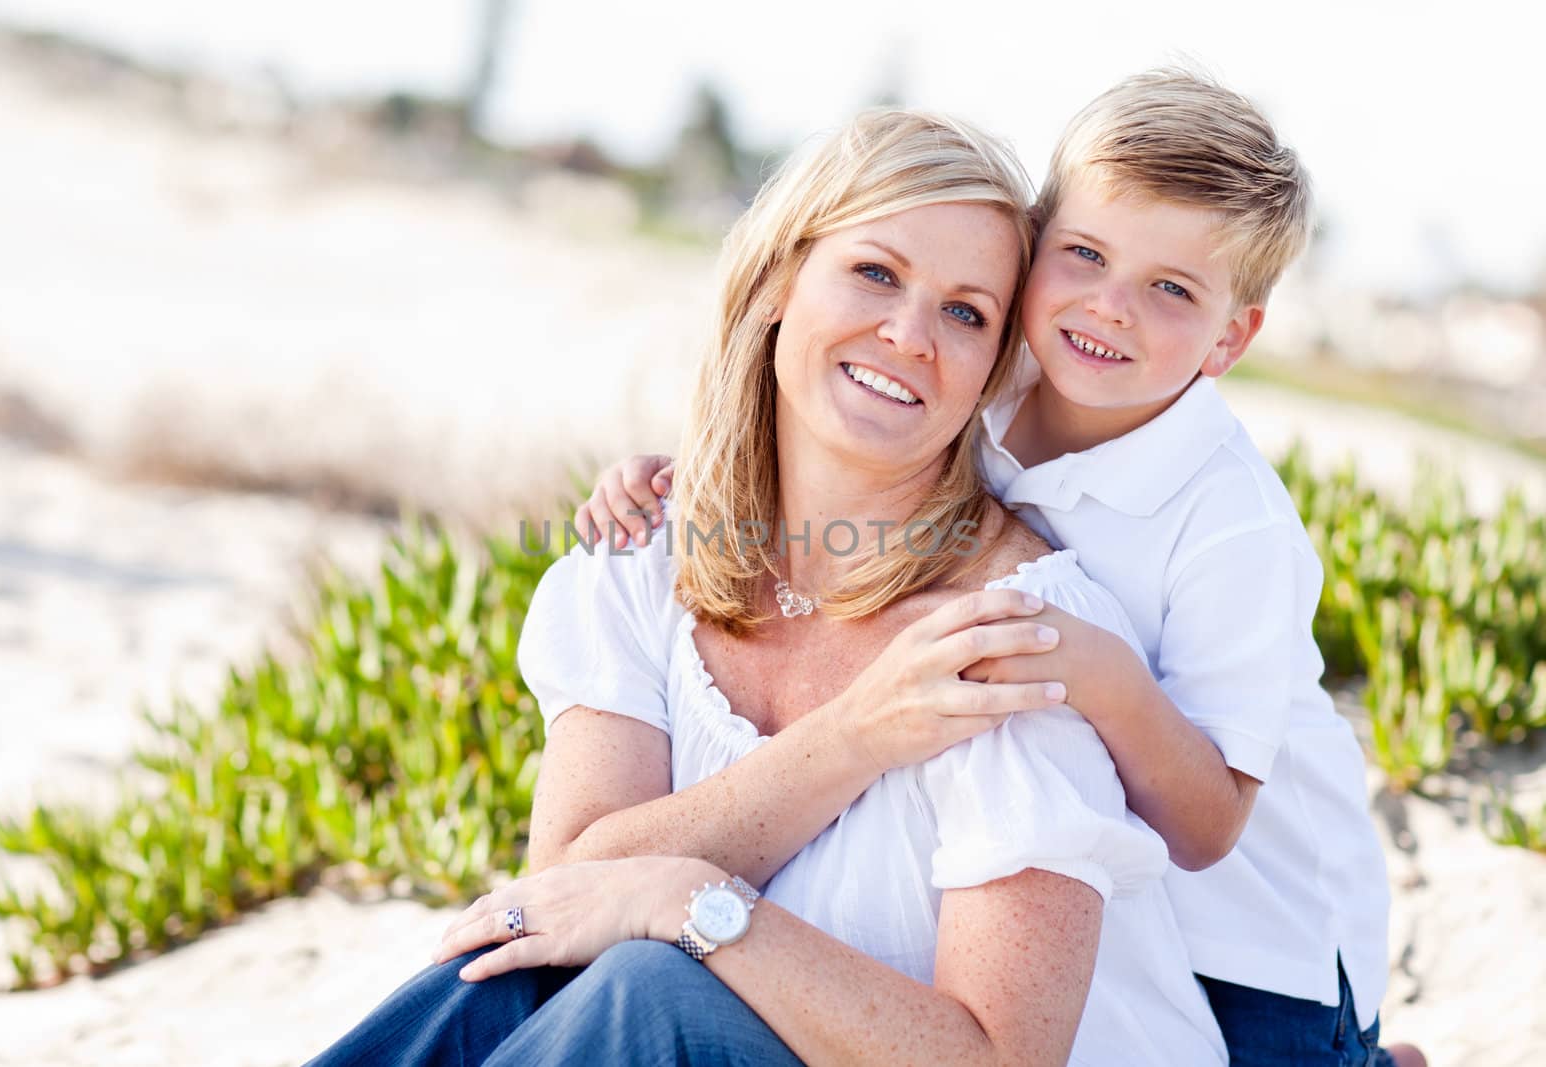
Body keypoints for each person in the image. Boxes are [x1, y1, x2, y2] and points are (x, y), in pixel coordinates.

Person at [307, 108, 1226, 1066]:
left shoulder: (1009, 640)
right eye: (876, 271)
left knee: (648, 986)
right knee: (504, 978)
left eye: (966, 312)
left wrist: (690, 903)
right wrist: (856, 733)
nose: (909, 333)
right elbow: (564, 896)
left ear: (991, 370)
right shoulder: (644, 555)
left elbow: (999, 1058)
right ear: (781, 279)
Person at [575, 70, 1425, 1067]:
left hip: (1249, 936)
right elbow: (851, 435)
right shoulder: (992, 374)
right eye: (1085, 255)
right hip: (1116, 894)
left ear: (1231, 335)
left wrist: (1102, 673)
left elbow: (1207, 824)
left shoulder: (1232, 523)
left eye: (1170, 289)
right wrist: (681, 477)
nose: (1108, 309)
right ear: (1034, 247)